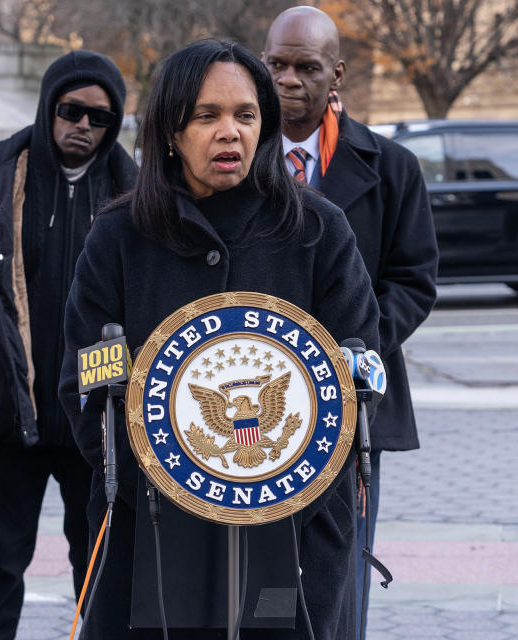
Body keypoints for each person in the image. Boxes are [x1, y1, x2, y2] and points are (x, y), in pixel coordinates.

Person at [59, 39, 381, 639]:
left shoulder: (319, 231)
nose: (229, 132)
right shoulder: (118, 236)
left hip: (295, 533)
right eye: (207, 116)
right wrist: (168, 490)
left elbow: (357, 375)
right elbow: (83, 384)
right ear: (171, 130)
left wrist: (281, 495)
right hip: (149, 530)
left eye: (246, 114)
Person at [0, 50, 137, 639]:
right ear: (49, 106)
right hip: (3, 419)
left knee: (100, 572)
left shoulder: (135, 190)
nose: (83, 126)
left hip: (95, 421)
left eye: (99, 117)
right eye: (71, 110)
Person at [262, 7, 439, 635]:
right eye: (276, 65)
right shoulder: (229, 162)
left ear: (335, 74)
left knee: (339, 579)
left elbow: (414, 281)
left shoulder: (391, 168)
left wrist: (348, 352)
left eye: (305, 68)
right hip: (254, 407)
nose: (288, 81)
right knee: (258, 578)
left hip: (350, 405)